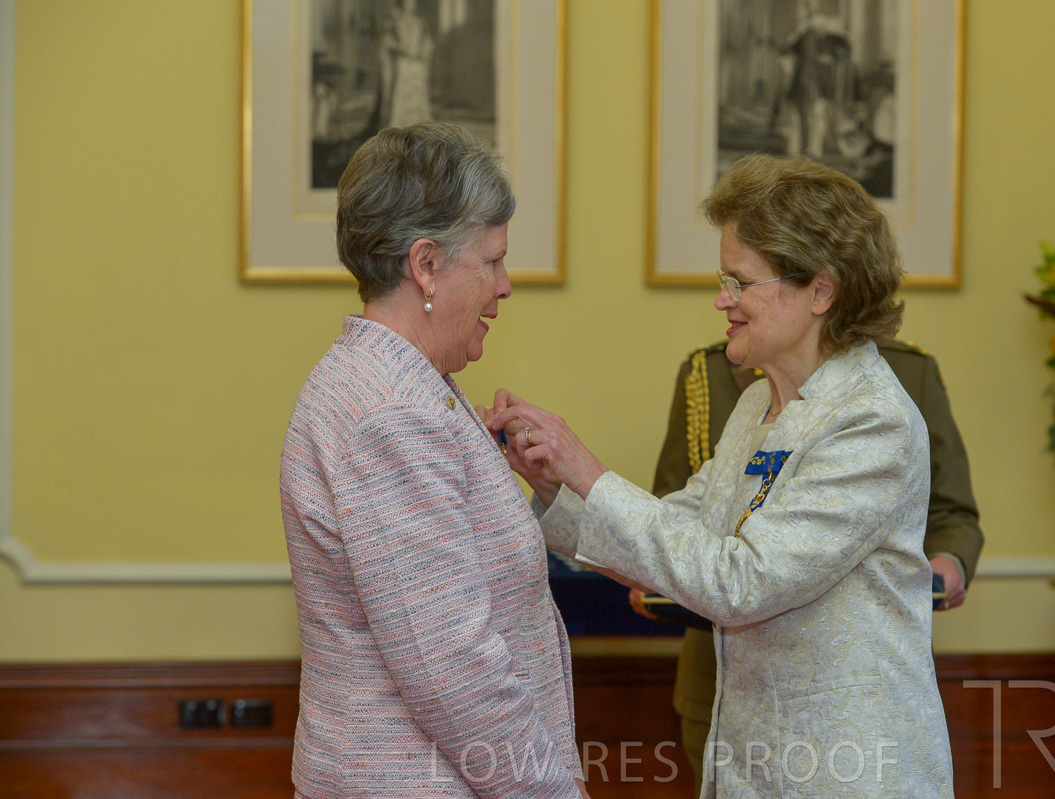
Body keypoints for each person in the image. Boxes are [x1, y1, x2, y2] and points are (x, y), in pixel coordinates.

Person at [490, 153, 954, 797]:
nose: (722, 301)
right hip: (755, 767)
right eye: (723, 279)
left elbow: (741, 582)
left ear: (821, 292)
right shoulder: (757, 404)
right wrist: (553, 482)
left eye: (741, 283)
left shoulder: (871, 422)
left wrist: (590, 475)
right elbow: (681, 539)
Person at [280, 123, 586, 798]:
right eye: (492, 261)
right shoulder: (393, 412)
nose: (505, 286)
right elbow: (453, 669)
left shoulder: (404, 385)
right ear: (425, 265)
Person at [644, 337, 983, 788]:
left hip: (841, 689)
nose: (726, 303)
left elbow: (950, 509)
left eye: (742, 292)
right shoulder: (714, 378)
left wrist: (948, 560)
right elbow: (676, 509)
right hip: (718, 669)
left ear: (820, 298)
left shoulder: (899, 381)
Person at [384, 0, 434, 128]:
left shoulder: (420, 22)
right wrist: (401, 48)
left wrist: (422, 52)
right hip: (403, 62)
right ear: (402, 4)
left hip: (417, 62)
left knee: (417, 91)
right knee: (402, 91)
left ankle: (418, 122)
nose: (410, 5)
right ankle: (400, 124)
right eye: (407, 2)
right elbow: (388, 41)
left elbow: (428, 41)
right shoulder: (395, 22)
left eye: (412, 2)